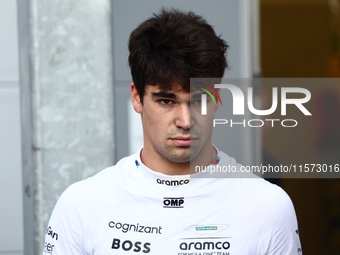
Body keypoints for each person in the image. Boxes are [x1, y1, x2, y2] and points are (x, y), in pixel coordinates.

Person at [43, 8, 302, 254]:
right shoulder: (82, 205)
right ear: (137, 98)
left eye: (199, 100)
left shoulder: (268, 207)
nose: (185, 121)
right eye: (166, 101)